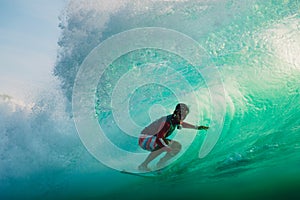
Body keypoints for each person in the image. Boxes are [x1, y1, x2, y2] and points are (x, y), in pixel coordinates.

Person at [138, 103, 209, 171]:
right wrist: (166, 148)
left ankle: (160, 164)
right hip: (144, 139)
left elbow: (182, 124)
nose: (183, 118)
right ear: (176, 112)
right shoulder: (167, 123)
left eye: (185, 116)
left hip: (152, 139)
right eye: (182, 115)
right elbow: (158, 139)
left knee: (177, 146)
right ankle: (143, 165)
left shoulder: (175, 119)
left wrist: (197, 127)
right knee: (163, 144)